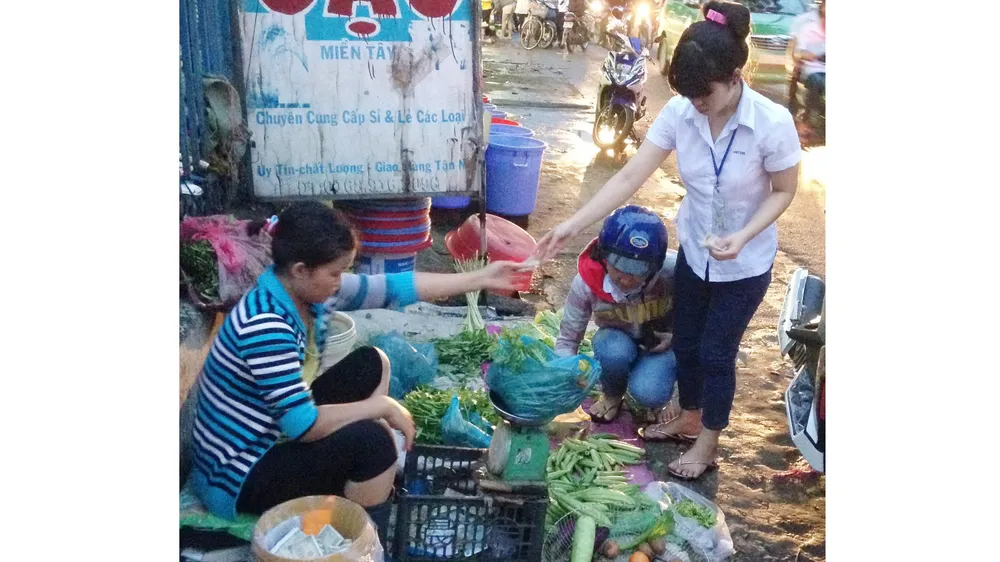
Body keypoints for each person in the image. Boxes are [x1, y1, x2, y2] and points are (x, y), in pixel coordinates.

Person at [533, 1, 801, 481]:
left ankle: (707, 443)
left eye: (706, 94)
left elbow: (784, 191)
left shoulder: (772, 123)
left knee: (717, 353)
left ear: (735, 75)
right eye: (689, 94)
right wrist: (575, 224)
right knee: (689, 344)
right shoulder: (680, 113)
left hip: (745, 263)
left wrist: (743, 235)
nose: (698, 103)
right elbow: (630, 175)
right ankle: (691, 414)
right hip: (698, 254)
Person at [189, 201, 530, 545]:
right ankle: (366, 541)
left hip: (270, 432)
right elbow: (301, 425)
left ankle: (365, 484)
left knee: (372, 362)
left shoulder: (307, 294)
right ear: (300, 270)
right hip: (237, 473)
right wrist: (381, 409)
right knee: (374, 443)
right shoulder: (266, 324)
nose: (340, 282)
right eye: (335, 273)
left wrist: (481, 277)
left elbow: (393, 287)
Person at [554, 205, 680, 424]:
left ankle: (657, 394)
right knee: (609, 348)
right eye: (619, 265)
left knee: (649, 393)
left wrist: (677, 339)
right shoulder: (585, 283)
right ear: (604, 255)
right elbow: (567, 340)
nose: (626, 277)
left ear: (655, 265)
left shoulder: (675, 272)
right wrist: (564, 375)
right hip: (617, 343)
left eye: (639, 269)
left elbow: (708, 325)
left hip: (662, 348)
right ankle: (613, 394)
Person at [792, 0, 825, 134]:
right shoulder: (809, 27)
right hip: (813, 70)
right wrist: (815, 56)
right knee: (817, 81)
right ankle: (807, 119)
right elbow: (798, 53)